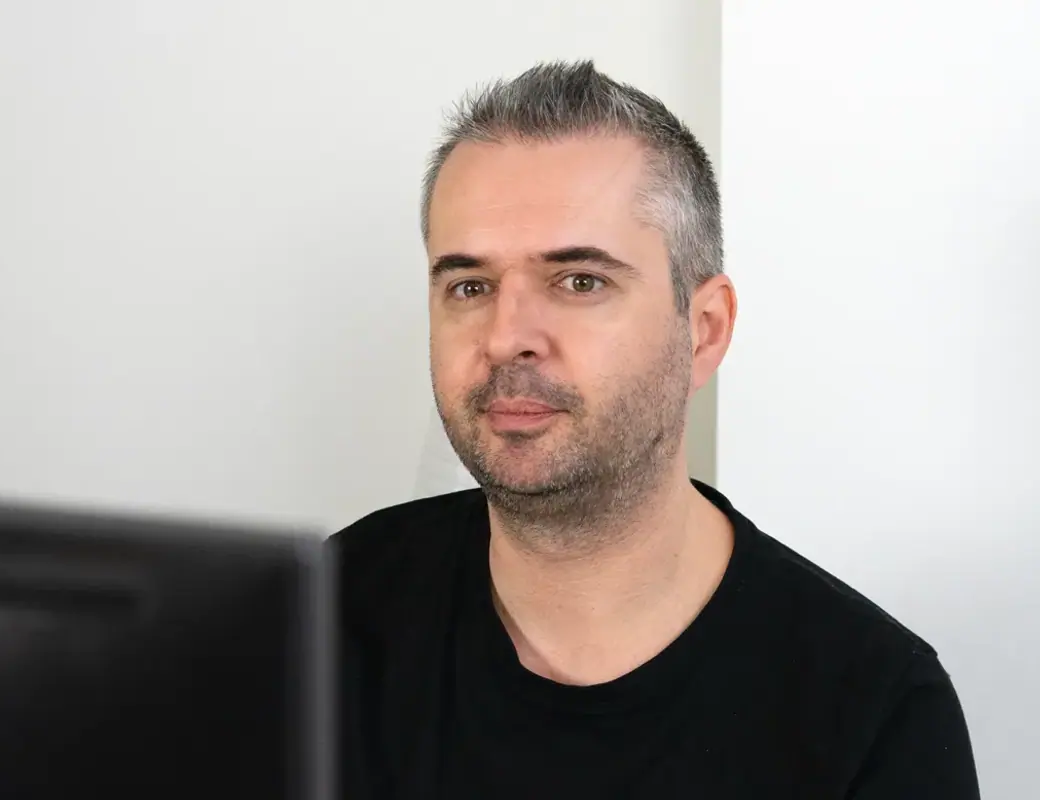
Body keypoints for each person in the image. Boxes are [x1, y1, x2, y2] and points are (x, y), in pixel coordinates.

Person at [331, 60, 979, 799]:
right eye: (470, 286)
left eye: (580, 281)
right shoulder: (331, 612)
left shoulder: (873, 714)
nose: (507, 336)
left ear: (703, 331)